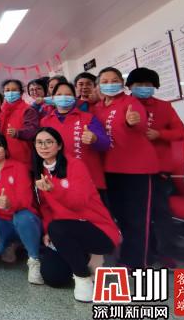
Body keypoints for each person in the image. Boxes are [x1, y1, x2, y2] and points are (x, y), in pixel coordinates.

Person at [32, 127, 121, 302]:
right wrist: (48, 231)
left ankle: (83, 278)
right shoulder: (40, 171)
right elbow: (46, 208)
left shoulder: (75, 165)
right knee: (53, 277)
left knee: (57, 227)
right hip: (64, 232)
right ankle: (84, 259)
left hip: (97, 228)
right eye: (39, 142)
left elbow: (79, 202)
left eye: (49, 142)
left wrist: (54, 189)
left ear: (59, 145)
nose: (43, 146)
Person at [93, 67, 158, 268]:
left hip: (136, 170)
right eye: (105, 81)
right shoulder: (98, 108)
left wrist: (133, 122)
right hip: (110, 169)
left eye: (114, 80)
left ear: (122, 84)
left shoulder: (131, 102)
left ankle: (138, 262)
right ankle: (129, 256)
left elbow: (140, 124)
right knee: (121, 216)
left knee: (137, 219)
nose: (110, 84)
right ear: (99, 85)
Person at [126, 67, 184, 265]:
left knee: (161, 212)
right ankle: (143, 252)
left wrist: (159, 134)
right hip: (130, 169)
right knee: (135, 214)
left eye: (148, 84)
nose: (144, 87)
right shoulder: (124, 106)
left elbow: (181, 132)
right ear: (130, 86)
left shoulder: (164, 106)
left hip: (158, 169)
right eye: (139, 84)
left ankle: (166, 251)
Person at [0, 133, 43, 284]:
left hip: (23, 217)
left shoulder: (19, 167)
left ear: (5, 148)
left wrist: (10, 204)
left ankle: (34, 259)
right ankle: (16, 243)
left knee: (22, 218)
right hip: (3, 220)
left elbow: (26, 200)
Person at [39, 82, 110, 198]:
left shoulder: (88, 118)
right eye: (59, 94)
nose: (63, 97)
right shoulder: (45, 122)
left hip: (89, 179)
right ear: (52, 98)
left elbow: (105, 144)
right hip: (59, 180)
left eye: (68, 94)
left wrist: (94, 138)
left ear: (74, 97)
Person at [0, 79, 39, 164]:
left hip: (25, 158)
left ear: (21, 93)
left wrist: (18, 133)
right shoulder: (2, 112)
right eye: (7, 90)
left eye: (14, 90)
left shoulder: (28, 110)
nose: (10, 93)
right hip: (6, 158)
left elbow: (33, 131)